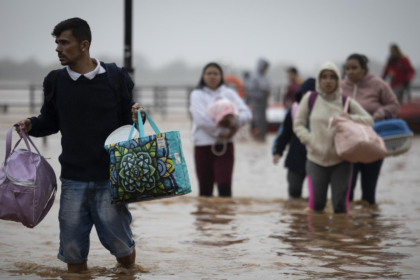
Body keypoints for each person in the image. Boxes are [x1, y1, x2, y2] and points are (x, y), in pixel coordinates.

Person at [15, 18, 146, 272]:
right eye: (56, 43)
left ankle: (129, 276)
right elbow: (50, 122)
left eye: (64, 42)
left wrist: (136, 116)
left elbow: (126, 124)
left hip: (111, 178)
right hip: (73, 179)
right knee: (73, 253)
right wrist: (32, 124)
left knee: (121, 245)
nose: (58, 49)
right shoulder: (55, 81)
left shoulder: (115, 77)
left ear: (83, 45)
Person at [293, 61, 373, 213]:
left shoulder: (345, 101)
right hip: (315, 160)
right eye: (324, 77)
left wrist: (349, 117)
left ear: (338, 80)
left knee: (340, 207)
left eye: (332, 77)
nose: (328, 81)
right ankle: (318, 236)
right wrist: (309, 140)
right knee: (317, 206)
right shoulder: (310, 98)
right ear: (319, 80)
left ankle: (339, 236)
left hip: (341, 161)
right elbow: (298, 124)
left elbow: (369, 120)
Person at [342, 54, 400, 205]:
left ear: (364, 69)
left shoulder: (378, 84)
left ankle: (369, 226)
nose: (350, 72)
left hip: (373, 144)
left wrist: (381, 113)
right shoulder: (340, 87)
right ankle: (345, 227)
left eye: (354, 68)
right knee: (346, 194)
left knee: (368, 195)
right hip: (348, 145)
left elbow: (394, 105)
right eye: (347, 68)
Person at [189, 62, 252, 197]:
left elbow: (246, 113)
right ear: (203, 76)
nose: (212, 76)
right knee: (205, 191)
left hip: (225, 147)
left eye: (216, 73)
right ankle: (205, 218)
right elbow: (200, 120)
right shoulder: (196, 94)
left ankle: (224, 217)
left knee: (225, 188)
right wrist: (222, 131)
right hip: (202, 147)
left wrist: (232, 123)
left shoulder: (229, 93)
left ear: (221, 76)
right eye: (209, 73)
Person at [272, 78, 315, 199]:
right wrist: (278, 152)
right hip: (295, 158)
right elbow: (285, 134)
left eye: (310, 94)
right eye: (304, 93)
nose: (306, 97)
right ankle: (294, 217)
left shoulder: (322, 113)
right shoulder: (293, 112)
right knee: (294, 191)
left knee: (316, 196)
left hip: (316, 158)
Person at [245, 59, 271, 142]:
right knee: (257, 119)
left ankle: (262, 137)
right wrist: (261, 93)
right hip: (256, 102)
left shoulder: (265, 77)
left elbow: (270, 87)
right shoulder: (254, 77)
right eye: (264, 66)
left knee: (263, 120)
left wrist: (267, 91)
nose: (265, 69)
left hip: (264, 102)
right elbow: (250, 89)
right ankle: (257, 138)